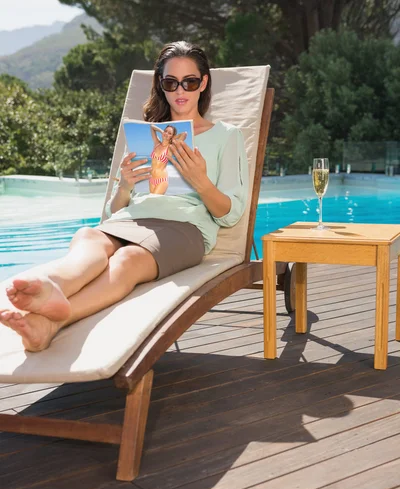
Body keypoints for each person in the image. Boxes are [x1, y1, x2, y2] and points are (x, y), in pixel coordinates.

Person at [0, 40, 249, 352]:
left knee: (127, 259)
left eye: (190, 81)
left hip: (185, 228)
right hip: (131, 219)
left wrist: (201, 182)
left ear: (204, 83)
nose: (180, 90)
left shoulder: (226, 135)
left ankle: (55, 319)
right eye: (171, 82)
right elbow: (113, 213)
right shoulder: (147, 136)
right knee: (88, 236)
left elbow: (231, 213)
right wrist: (125, 186)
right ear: (162, 85)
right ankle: (48, 294)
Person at [149, 124, 187, 194]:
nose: (166, 133)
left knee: (153, 199)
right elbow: (152, 126)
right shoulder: (157, 144)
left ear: (172, 136)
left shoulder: (170, 148)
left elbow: (184, 134)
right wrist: (162, 132)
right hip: (151, 179)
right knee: (153, 203)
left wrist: (172, 138)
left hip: (161, 180)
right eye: (165, 131)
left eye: (169, 133)